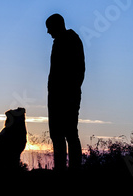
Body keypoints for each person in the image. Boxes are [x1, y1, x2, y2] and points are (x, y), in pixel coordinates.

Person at [46, 13, 85, 171]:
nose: (48, 32)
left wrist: (70, 94)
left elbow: (79, 71)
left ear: (57, 25)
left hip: (67, 97)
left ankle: (73, 169)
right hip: (57, 97)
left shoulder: (71, 40)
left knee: (69, 134)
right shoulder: (60, 42)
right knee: (57, 135)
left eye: (49, 28)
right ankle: (60, 169)